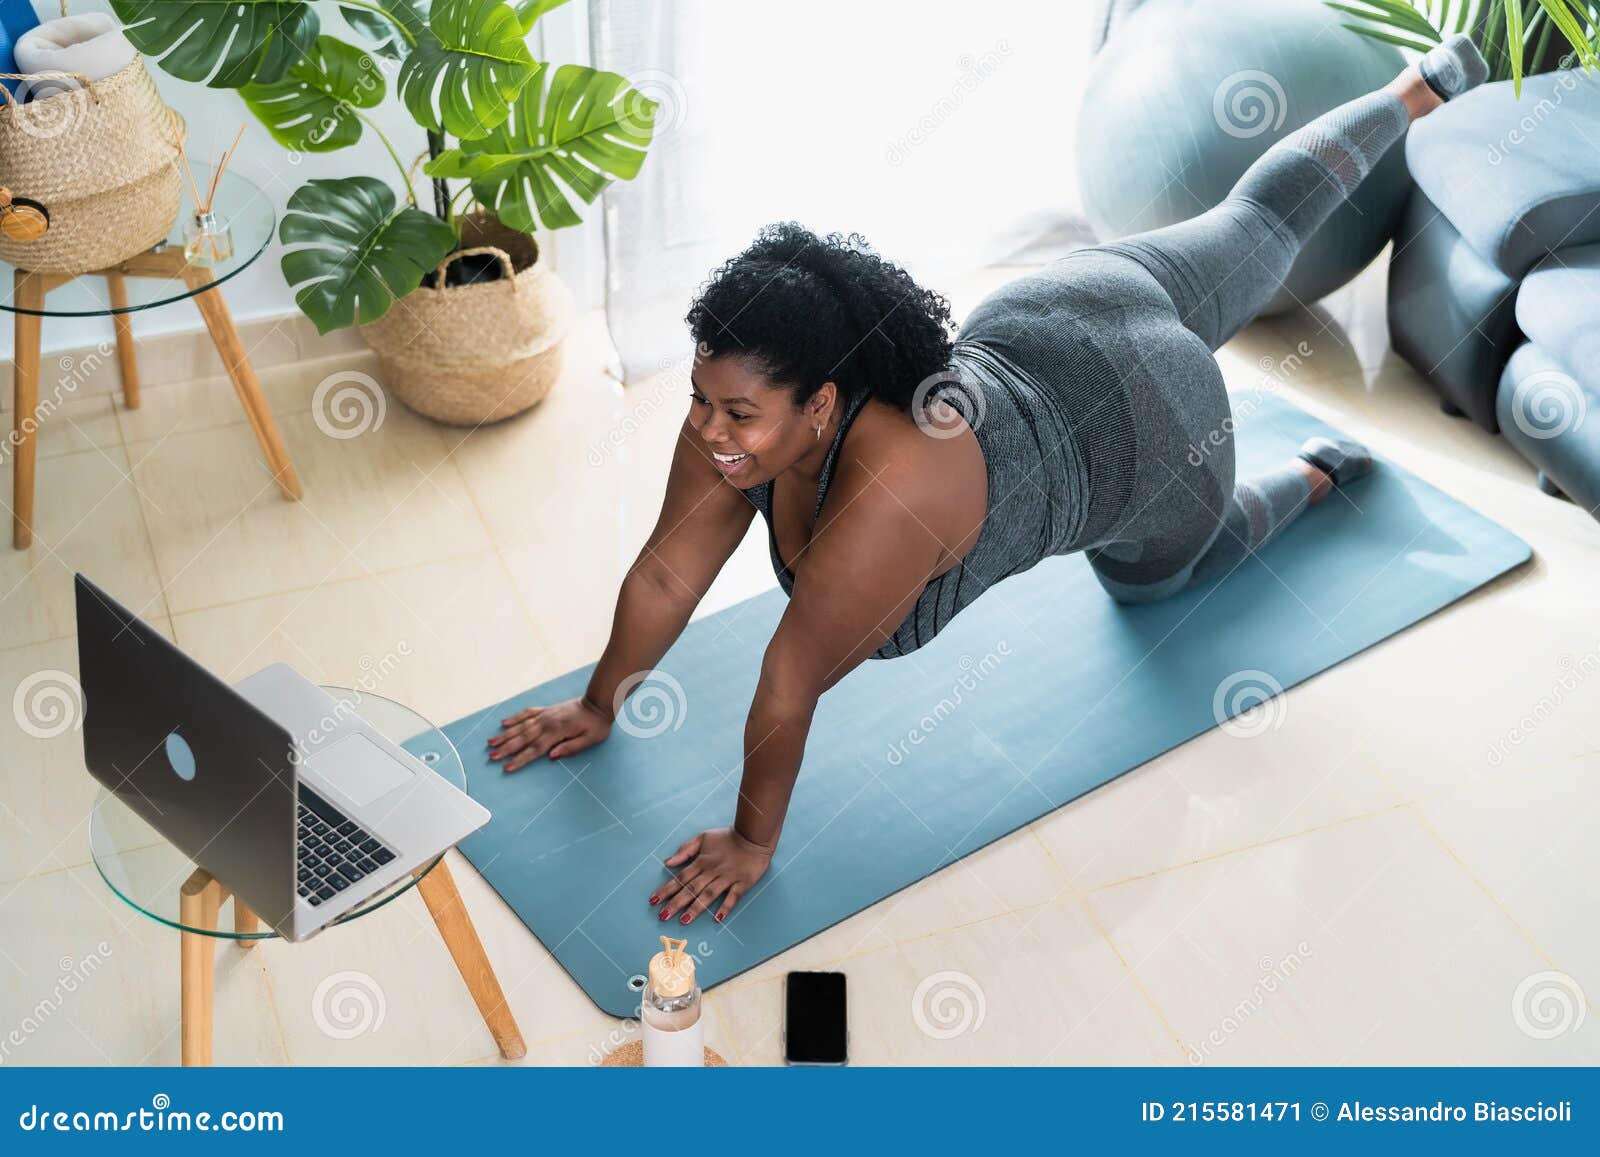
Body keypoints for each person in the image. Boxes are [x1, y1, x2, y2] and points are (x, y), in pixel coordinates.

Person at [488, 38, 1489, 924]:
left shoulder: (891, 488)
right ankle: (1419, 87)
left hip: (1149, 428)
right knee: (1251, 224)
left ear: (825, 405)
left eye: (735, 411)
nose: (707, 428)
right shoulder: (745, 415)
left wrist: (751, 842)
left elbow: (789, 680)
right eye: (702, 396)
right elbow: (668, 574)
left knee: (1157, 583)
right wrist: (598, 704)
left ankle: (1311, 475)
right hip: (1063, 307)